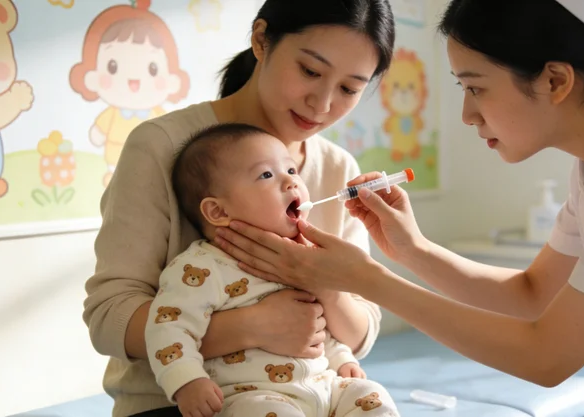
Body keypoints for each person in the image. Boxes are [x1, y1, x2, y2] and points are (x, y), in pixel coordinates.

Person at [211, 0, 584, 416]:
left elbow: (547, 355)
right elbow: (534, 294)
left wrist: (365, 278)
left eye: (475, 87)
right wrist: (413, 250)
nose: (466, 114)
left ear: (555, 80)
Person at [81, 1, 396, 416]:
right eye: (310, 71)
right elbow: (109, 318)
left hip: (315, 399)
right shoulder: (161, 146)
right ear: (261, 40)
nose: (322, 104)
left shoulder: (339, 169)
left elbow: (360, 334)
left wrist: (326, 283)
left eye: (349, 89)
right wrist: (253, 326)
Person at [146, 123, 398, 417]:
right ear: (219, 211)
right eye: (266, 175)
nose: (291, 182)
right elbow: (168, 327)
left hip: (324, 389)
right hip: (253, 397)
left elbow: (318, 323)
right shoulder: (202, 266)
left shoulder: (306, 258)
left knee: (370, 396)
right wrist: (187, 382)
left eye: (291, 170)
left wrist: (341, 358)